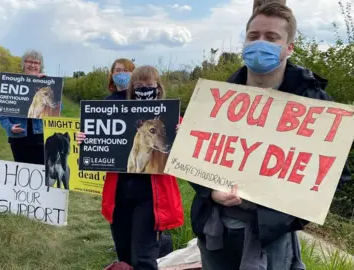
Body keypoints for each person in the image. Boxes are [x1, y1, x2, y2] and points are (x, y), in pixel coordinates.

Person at [188, 3, 352, 270]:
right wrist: (211, 191)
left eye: (272, 37)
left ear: (289, 47)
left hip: (271, 237)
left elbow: (335, 178)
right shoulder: (217, 97)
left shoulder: (315, 104)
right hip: (215, 228)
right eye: (253, 36)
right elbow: (191, 158)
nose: (259, 43)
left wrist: (280, 217)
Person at [76, 65, 184, 269]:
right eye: (139, 86)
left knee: (144, 258)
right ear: (131, 89)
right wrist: (85, 141)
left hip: (151, 199)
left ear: (158, 87)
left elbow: (188, 154)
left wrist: (184, 133)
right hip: (120, 195)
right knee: (124, 256)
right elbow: (96, 146)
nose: (144, 90)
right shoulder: (116, 114)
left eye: (149, 85)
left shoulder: (172, 118)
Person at [0, 49, 48, 165]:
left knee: (41, 174)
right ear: (23, 64)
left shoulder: (48, 83)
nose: (33, 65)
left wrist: (44, 84)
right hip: (18, 138)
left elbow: (56, 110)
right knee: (22, 175)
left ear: (40, 66)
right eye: (29, 61)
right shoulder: (12, 83)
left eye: (37, 63)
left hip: (41, 137)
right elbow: (2, 113)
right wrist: (10, 127)